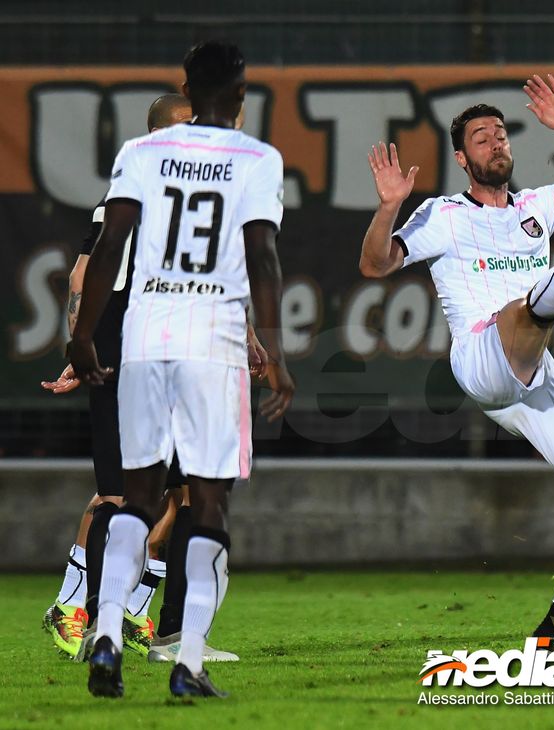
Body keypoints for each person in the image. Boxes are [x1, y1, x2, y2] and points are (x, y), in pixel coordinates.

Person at [361, 74, 554, 654]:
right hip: (482, 359)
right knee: (521, 310)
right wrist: (388, 209)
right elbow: (377, 265)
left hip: (535, 374)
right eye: (481, 139)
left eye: (501, 135)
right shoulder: (441, 215)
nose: (496, 144)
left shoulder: (537, 206)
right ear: (462, 158)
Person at [71, 40, 294, 698]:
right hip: (211, 332)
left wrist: (83, 336)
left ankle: (106, 630)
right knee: (208, 500)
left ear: (189, 88)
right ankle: (186, 660)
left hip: (144, 328)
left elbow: (111, 245)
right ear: (241, 95)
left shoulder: (141, 155)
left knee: (137, 498)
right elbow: (263, 256)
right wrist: (275, 353)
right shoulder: (256, 159)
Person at [42, 94, 241, 665]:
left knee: (174, 494)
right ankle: (75, 606)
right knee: (117, 494)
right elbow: (83, 279)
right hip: (122, 359)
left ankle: (132, 610)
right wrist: (78, 349)